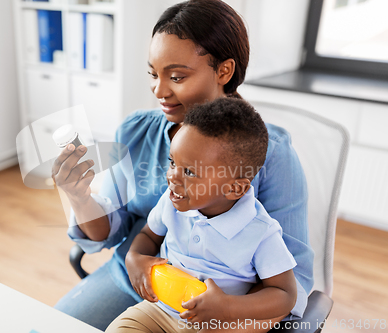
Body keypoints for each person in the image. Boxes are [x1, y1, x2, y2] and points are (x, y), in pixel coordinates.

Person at [52, 0, 314, 331]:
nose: (159, 91)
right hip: (138, 282)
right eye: (153, 74)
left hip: (218, 308)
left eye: (176, 76)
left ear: (224, 71)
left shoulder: (270, 155)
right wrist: (80, 197)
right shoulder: (135, 132)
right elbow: (112, 230)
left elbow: (294, 283)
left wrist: (228, 312)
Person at [106, 97, 298, 333]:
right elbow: (149, 234)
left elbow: (285, 294)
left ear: (234, 188)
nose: (172, 177)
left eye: (188, 171)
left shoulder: (260, 231)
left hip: (216, 324)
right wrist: (134, 257)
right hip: (159, 310)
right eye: (172, 162)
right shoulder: (171, 200)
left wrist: (229, 307)